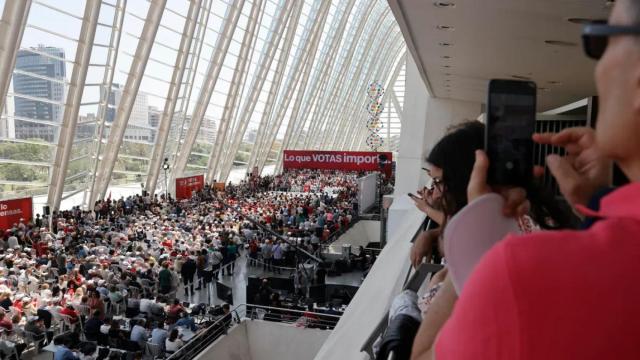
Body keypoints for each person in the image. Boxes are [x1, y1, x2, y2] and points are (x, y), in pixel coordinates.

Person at [412, 1, 640, 358]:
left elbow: (424, 353)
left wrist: (480, 243)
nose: (598, 67)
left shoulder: (522, 270)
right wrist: (599, 203)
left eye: (602, 40)